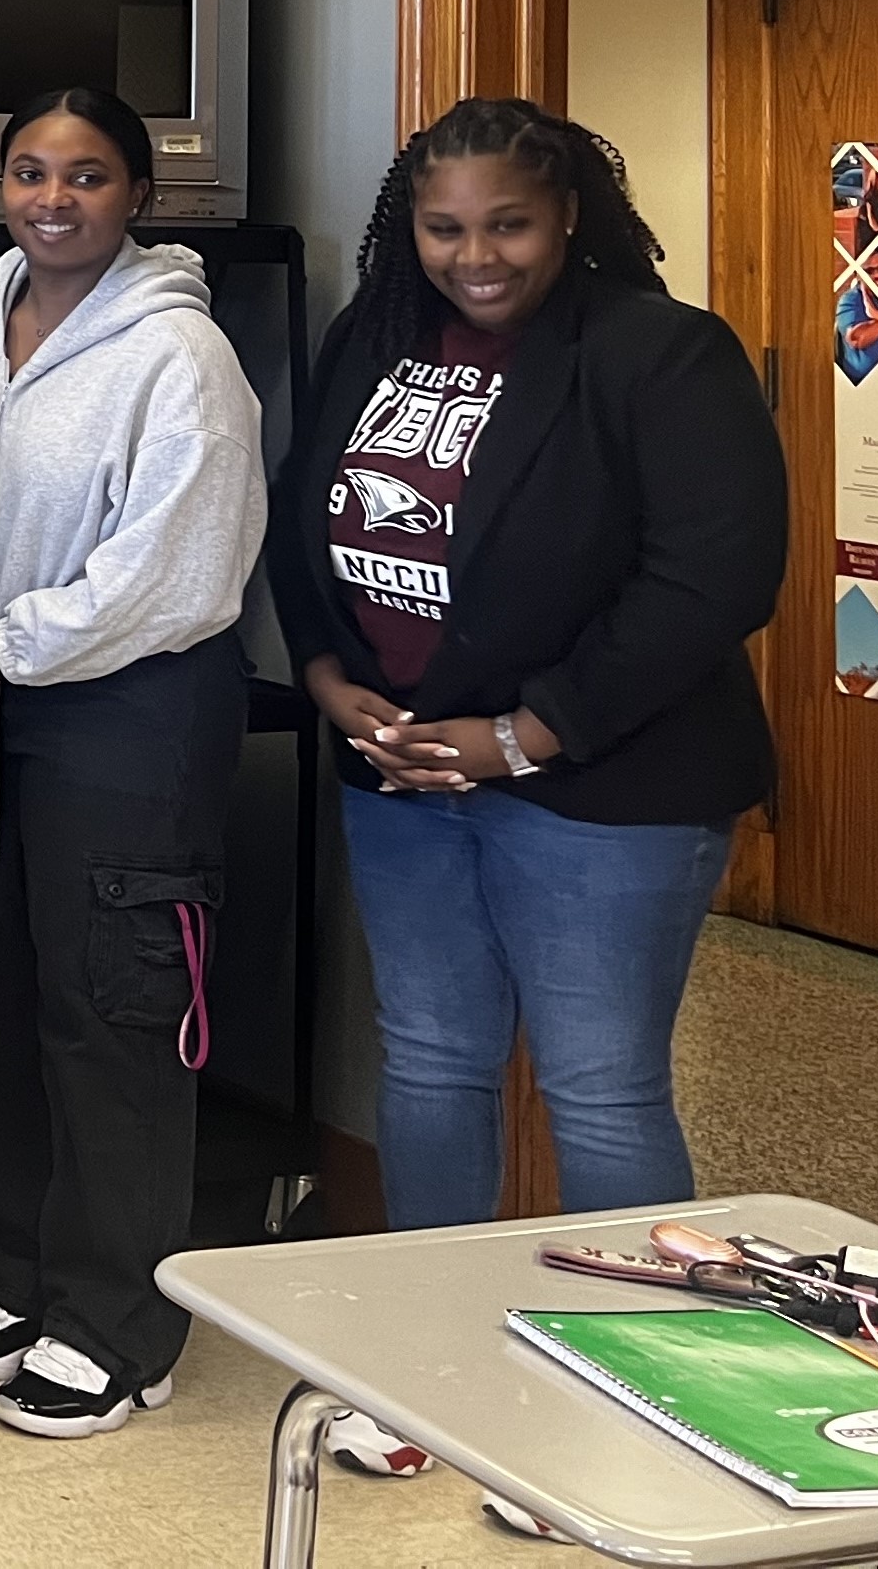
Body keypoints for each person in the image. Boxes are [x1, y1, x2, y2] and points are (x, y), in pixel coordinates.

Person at [280, 98, 781, 1220]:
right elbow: (300, 512)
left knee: (599, 1092)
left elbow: (714, 579)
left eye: (507, 225)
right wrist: (325, 676)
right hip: (403, 773)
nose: (476, 258)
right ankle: (430, 1362)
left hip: (606, 787)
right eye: (446, 229)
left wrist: (525, 735)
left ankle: (633, 1364)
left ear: (566, 216)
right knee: (428, 1060)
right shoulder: (374, 334)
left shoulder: (661, 352)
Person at [0, 88, 263, 1440]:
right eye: (30, 173)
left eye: (89, 177)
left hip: (123, 712)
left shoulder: (182, 355)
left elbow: (181, 564)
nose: (54, 200)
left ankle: (121, 1325)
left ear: (136, 197)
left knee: (110, 1015)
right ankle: (12, 1273)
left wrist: (11, 640)